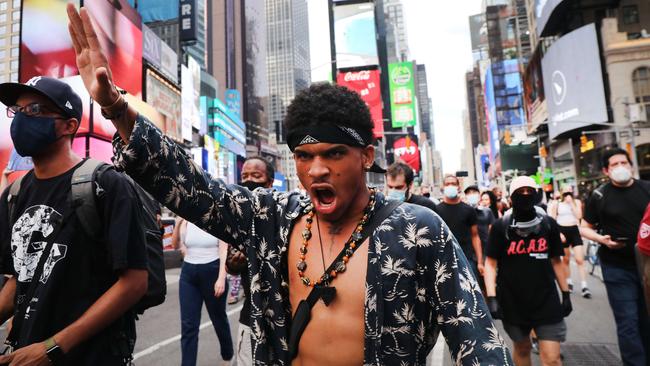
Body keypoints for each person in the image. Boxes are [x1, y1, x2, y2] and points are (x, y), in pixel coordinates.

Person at [66, 5, 512, 364]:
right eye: (304, 156)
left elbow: (476, 337)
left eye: (334, 154)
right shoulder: (270, 218)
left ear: (367, 157)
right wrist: (116, 107)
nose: (317, 170)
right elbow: (191, 185)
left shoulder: (419, 231)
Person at [0, 76, 149, 365]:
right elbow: (20, 279)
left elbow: (134, 282)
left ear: (69, 126)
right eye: (17, 111)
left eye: (34, 110)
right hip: (26, 355)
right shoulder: (13, 195)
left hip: (91, 357)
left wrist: (53, 348)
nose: (20, 120)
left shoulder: (106, 184)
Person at [484, 176, 571, 366]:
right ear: (512, 196)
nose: (525, 195)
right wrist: (491, 298)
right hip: (513, 301)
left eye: (529, 191)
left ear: (537, 195)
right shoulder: (501, 227)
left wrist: (565, 293)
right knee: (522, 348)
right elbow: (490, 263)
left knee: (552, 359)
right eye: (520, 192)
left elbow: (557, 261)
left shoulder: (548, 225)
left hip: (547, 301)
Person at [581, 148, 650, 365]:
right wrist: (602, 240)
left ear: (631, 165)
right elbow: (585, 227)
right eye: (614, 165)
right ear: (606, 171)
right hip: (617, 267)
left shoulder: (647, 189)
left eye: (624, 162)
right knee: (627, 321)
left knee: (646, 319)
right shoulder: (600, 195)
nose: (620, 167)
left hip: (648, 266)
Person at [226, 156, 276, 366]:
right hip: (250, 318)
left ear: (270, 183)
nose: (249, 181)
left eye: (256, 176)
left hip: (284, 319)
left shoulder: (284, 215)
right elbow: (232, 265)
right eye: (245, 176)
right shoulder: (237, 217)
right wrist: (235, 263)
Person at [171, 217, 232, 365]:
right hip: (188, 273)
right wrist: (179, 222)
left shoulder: (217, 218)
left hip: (212, 270)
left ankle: (227, 355)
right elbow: (175, 245)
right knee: (188, 326)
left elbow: (224, 250)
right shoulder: (186, 219)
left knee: (218, 319)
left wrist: (221, 278)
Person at [434, 175, 484, 279]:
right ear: (443, 187)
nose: (450, 186)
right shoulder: (436, 210)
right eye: (447, 184)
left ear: (459, 187)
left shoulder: (469, 210)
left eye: (453, 183)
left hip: (466, 258)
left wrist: (480, 261)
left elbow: (475, 236)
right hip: (444, 259)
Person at [548, 186, 591, 298]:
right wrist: (558, 233)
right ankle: (569, 281)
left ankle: (584, 286)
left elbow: (579, 216)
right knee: (565, 259)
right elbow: (552, 220)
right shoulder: (557, 204)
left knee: (579, 259)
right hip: (562, 231)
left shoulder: (576, 202)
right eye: (566, 191)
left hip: (574, 230)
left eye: (570, 191)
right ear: (562, 193)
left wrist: (571, 204)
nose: (568, 193)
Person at [465, 186, 495, 264]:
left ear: (479, 196)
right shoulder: (463, 212)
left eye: (474, 192)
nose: (472, 195)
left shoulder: (487, 211)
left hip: (485, 249)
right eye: (469, 193)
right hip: (469, 252)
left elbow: (492, 230)